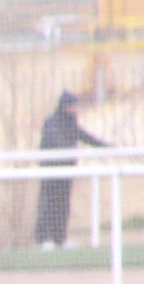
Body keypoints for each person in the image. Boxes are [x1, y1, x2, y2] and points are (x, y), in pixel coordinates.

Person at [33, 92, 107, 248]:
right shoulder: (51, 122)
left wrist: (107, 147)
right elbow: (56, 142)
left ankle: (60, 239)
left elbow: (86, 137)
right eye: (72, 106)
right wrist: (71, 152)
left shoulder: (71, 123)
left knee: (63, 206)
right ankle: (43, 239)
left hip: (66, 173)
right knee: (48, 205)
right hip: (51, 173)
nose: (74, 109)